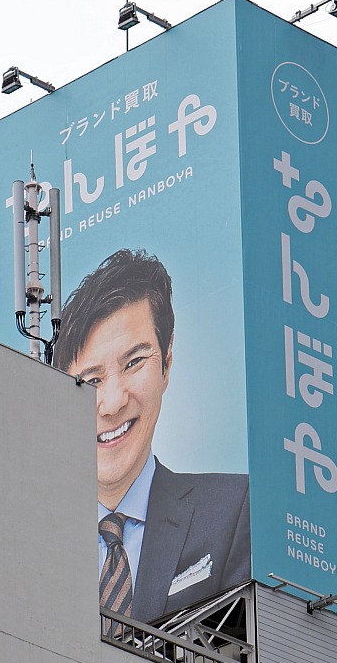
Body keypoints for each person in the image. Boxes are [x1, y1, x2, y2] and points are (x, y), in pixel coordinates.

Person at [58, 250, 249, 627]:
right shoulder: (30, 544)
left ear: (167, 362)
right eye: (91, 381)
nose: (113, 403)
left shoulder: (232, 509)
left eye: (134, 363)